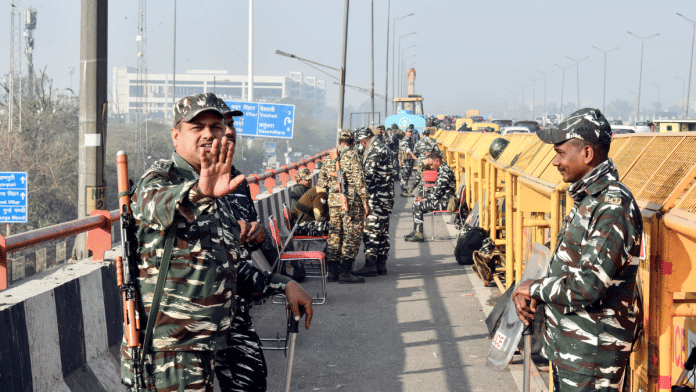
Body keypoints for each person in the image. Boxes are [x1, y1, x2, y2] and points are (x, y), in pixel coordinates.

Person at [122, 93, 313, 392]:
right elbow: (151, 206)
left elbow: (227, 267)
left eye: (215, 127)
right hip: (176, 349)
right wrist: (199, 191)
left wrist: (282, 283)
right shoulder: (159, 180)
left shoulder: (220, 190)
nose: (209, 134)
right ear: (176, 135)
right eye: (197, 127)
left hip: (222, 335)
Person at [512, 108, 643, 392]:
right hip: (574, 346)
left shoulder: (612, 205)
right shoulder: (589, 199)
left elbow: (587, 286)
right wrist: (539, 295)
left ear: (586, 153)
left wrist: (533, 288)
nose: (555, 161)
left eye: (560, 152)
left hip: (592, 354)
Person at [316, 130, 370, 284]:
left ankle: (333, 271)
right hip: (350, 203)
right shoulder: (352, 155)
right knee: (352, 235)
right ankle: (345, 272)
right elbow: (359, 180)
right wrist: (366, 202)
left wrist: (334, 185)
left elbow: (321, 184)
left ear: (339, 141)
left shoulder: (329, 157)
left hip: (334, 203)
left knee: (335, 235)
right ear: (352, 142)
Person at [354, 127, 395, 277]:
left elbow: (368, 177)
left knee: (371, 230)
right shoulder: (382, 146)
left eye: (361, 143)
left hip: (377, 197)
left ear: (364, 140)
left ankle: (370, 265)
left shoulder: (374, 150)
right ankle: (381, 264)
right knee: (382, 230)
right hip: (386, 196)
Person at [405, 148, 456, 242]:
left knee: (417, 204)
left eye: (432, 164)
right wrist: (423, 197)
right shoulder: (442, 170)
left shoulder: (444, 172)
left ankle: (419, 233)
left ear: (437, 161)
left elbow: (437, 193)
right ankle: (416, 231)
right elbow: (436, 192)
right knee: (417, 202)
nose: (431, 167)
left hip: (445, 202)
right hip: (441, 199)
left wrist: (423, 199)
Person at [407, 128, 441, 196]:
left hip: (421, 162)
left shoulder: (419, 142)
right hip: (430, 162)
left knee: (419, 177)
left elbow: (415, 152)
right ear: (428, 134)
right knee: (429, 177)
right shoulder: (432, 141)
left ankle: (413, 190)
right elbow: (438, 151)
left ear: (423, 134)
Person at [399, 128, 418, 197]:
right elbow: (407, 149)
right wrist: (412, 154)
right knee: (404, 176)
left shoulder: (409, 140)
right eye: (408, 132)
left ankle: (405, 191)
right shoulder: (404, 140)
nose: (410, 133)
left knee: (407, 175)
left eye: (411, 132)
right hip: (406, 161)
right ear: (405, 133)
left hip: (409, 161)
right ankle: (404, 191)